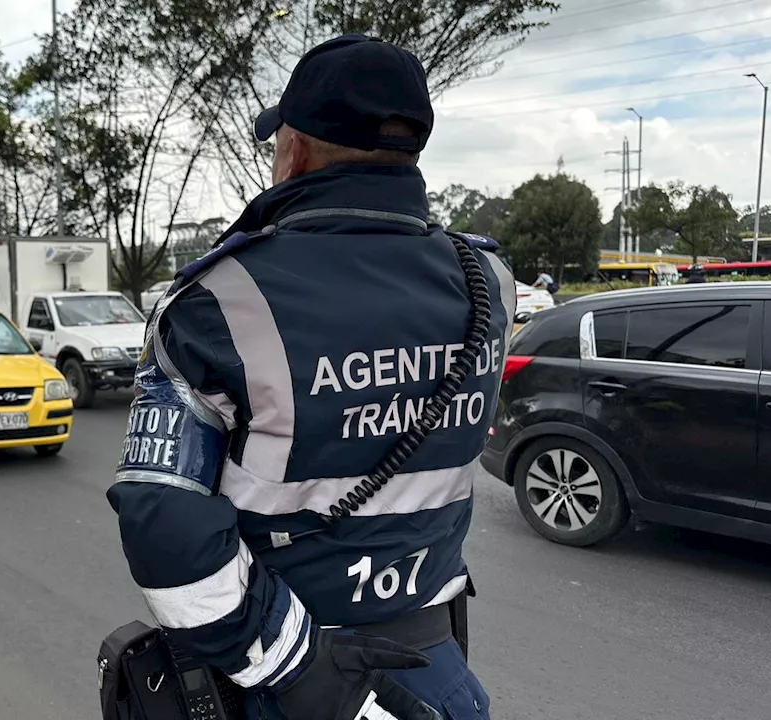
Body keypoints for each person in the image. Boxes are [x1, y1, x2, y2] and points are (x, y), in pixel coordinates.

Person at [108, 35, 515, 720]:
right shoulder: (491, 283)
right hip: (438, 676)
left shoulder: (218, 301)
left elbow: (162, 527)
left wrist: (295, 665)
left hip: (286, 681)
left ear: (293, 149)